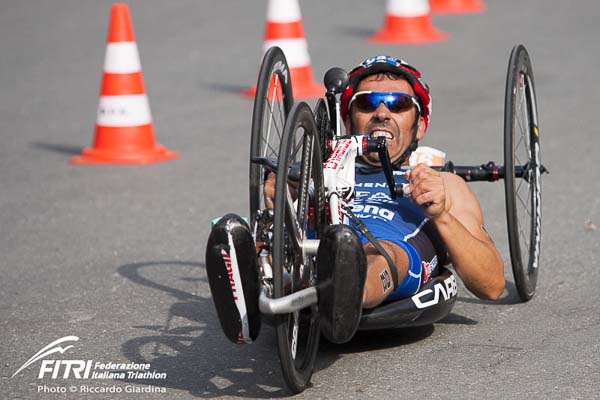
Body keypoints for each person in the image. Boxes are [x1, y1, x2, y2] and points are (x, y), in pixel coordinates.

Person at [205, 55, 505, 346]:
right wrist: (278, 200)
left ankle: (344, 290)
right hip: (310, 248)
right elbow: (280, 213)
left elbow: (491, 285)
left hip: (390, 252)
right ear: (348, 121)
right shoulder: (316, 172)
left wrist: (442, 216)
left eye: (398, 105)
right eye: (367, 103)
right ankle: (252, 286)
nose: (382, 113)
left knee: (376, 252)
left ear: (419, 126)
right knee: (249, 232)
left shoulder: (443, 183)